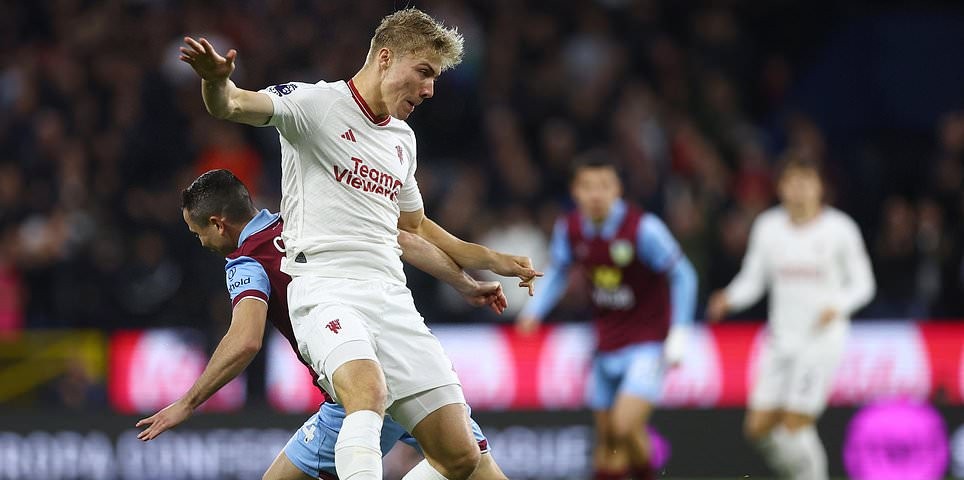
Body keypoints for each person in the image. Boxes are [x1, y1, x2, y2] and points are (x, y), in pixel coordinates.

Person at [178, 8, 540, 480]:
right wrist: (214, 82)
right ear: (386, 58)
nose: (430, 90)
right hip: (324, 286)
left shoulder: (402, 141)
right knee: (366, 392)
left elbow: (416, 227)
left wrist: (485, 265)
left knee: (460, 455)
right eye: (424, 73)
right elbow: (231, 105)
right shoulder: (314, 105)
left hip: (390, 295)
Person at [136, 169, 509, 480]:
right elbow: (401, 239)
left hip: (352, 377)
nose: (200, 242)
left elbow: (246, 339)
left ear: (218, 224)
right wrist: (466, 283)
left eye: (197, 232)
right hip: (404, 358)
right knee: (475, 465)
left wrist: (187, 403)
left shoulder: (247, 261)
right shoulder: (310, 220)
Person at [516, 153, 697, 480]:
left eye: (604, 185)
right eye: (588, 186)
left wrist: (680, 332)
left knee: (623, 426)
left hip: (647, 343)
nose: (596, 194)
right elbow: (558, 269)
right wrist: (534, 312)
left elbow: (684, 275)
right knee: (609, 443)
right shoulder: (570, 228)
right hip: (604, 344)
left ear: (618, 190)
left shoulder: (643, 229)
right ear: (575, 191)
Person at [706, 154, 876, 480]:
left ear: (819, 187)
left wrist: (838, 305)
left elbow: (864, 284)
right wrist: (729, 297)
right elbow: (754, 279)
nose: (798, 190)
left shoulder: (840, 229)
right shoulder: (768, 227)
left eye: (806, 182)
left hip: (820, 341)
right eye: (792, 183)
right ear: (780, 187)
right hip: (780, 339)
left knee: (794, 425)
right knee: (758, 429)